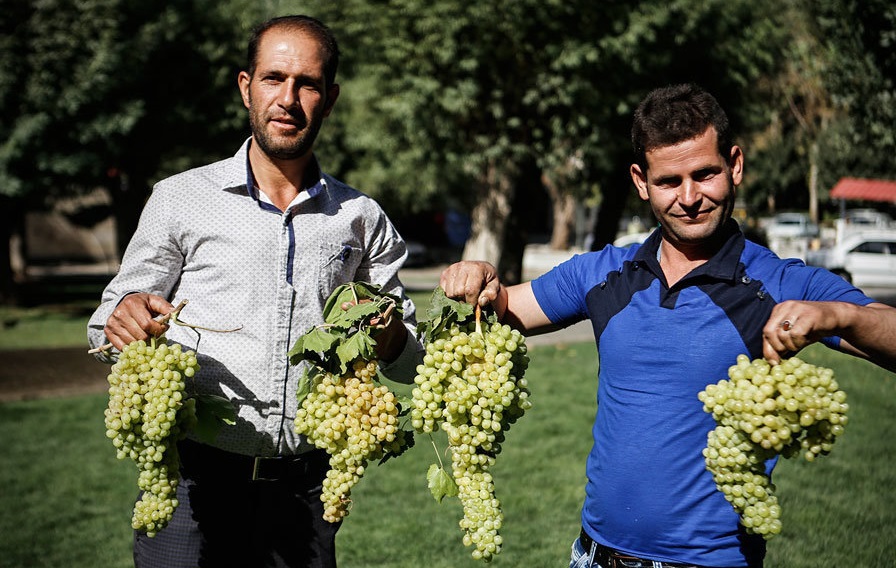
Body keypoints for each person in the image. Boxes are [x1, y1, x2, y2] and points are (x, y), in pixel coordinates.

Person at [439, 83, 896, 568]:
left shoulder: (775, 281)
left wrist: (839, 314)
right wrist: (480, 279)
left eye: (705, 174)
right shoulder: (602, 273)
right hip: (593, 555)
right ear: (641, 181)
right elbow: (505, 307)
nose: (690, 197)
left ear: (735, 165)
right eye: (669, 181)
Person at [88, 15, 421, 568]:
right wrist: (122, 316)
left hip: (308, 492)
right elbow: (106, 322)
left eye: (308, 84)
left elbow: (412, 363)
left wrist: (388, 338)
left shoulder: (361, 218)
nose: (288, 98)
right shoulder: (180, 199)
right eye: (274, 78)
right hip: (192, 487)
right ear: (246, 87)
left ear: (329, 99)